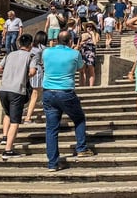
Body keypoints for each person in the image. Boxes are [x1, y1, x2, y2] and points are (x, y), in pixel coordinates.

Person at [42, 31, 94, 171]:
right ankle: (81, 148)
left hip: (48, 92)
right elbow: (81, 68)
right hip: (65, 91)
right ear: (70, 40)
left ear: (57, 40)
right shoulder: (74, 53)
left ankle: (52, 163)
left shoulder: (46, 52)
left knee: (51, 128)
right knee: (79, 119)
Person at [0, 33, 36, 160]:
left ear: (19, 44)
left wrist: (10, 72)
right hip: (17, 90)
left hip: (3, 88)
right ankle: (8, 150)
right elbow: (32, 72)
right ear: (30, 45)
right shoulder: (31, 56)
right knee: (15, 121)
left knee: (7, 113)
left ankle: (4, 137)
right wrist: (23, 75)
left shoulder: (10, 54)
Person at [23, 31, 47, 124]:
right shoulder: (43, 48)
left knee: (32, 93)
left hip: (26, 71)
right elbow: (44, 61)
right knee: (35, 94)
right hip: (37, 71)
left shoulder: (30, 47)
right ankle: (28, 117)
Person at [79, 22, 100, 87]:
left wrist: (92, 35)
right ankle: (83, 86)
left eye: (91, 26)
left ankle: (91, 87)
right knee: (83, 70)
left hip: (91, 54)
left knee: (91, 70)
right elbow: (79, 44)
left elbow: (95, 43)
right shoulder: (83, 34)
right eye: (88, 26)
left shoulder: (96, 34)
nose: (89, 28)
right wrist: (82, 42)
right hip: (83, 53)